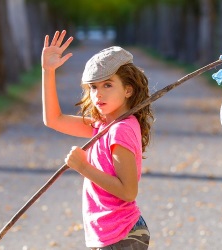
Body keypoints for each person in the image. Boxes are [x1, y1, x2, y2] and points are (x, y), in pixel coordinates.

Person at [41, 30, 153, 249]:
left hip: (122, 235)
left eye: (107, 85)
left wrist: (83, 166)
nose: (98, 94)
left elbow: (128, 191)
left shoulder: (120, 130)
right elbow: (54, 119)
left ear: (128, 89)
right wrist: (48, 71)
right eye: (93, 87)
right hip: (107, 235)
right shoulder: (102, 126)